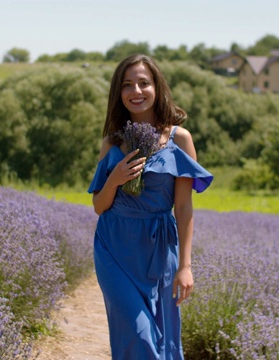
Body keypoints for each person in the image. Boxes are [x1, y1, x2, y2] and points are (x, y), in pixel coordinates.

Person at [87, 54, 213, 359]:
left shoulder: (179, 139)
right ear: (119, 93)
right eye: (127, 85)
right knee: (137, 334)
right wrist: (115, 179)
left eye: (144, 83)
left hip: (159, 250)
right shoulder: (112, 142)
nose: (136, 91)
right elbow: (98, 206)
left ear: (157, 87)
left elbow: (183, 209)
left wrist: (185, 267)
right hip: (114, 249)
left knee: (161, 338)